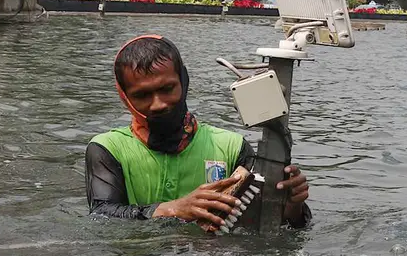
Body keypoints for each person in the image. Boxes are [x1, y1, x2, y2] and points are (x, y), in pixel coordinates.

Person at [85, 35, 311, 232]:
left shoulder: (231, 147)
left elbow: (259, 224)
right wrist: (175, 209)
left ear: (183, 81)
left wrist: (291, 207)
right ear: (125, 97)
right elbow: (103, 217)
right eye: (142, 95)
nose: (158, 104)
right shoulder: (107, 149)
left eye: (167, 89)